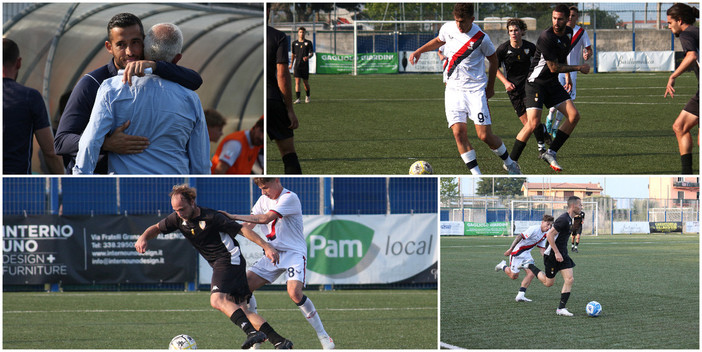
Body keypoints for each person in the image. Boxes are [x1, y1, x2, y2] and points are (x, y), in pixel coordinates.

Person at [134, 184, 293, 349]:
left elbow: (243, 231)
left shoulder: (212, 217)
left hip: (229, 259)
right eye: (175, 210)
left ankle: (252, 333)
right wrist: (144, 237)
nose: (179, 213)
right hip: (223, 263)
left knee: (217, 300)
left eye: (181, 209)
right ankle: (280, 341)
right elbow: (157, 228)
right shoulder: (178, 218)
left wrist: (267, 247)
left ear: (193, 202)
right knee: (242, 310)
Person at [55, 12, 202, 174]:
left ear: (145, 43)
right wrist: (105, 143)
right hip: (100, 182)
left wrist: (155, 66)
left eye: (135, 42)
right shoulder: (94, 84)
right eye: (121, 45)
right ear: (109, 47)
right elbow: (61, 141)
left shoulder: (161, 79)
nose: (130, 51)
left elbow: (195, 80)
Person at [220, 178, 335, 349]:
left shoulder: (289, 197)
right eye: (260, 188)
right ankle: (257, 338)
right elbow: (250, 223)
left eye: (265, 187)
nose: (263, 192)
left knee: (294, 293)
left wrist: (232, 216)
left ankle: (323, 335)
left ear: (276, 181)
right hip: (272, 253)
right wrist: (229, 230)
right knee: (241, 290)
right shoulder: (262, 200)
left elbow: (266, 218)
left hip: (293, 252)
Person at [409, 3, 521, 175]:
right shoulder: (448, 28)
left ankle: (510, 163)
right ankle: (477, 175)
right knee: (458, 133)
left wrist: (490, 86)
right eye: (456, 21)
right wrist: (419, 51)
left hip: (475, 90)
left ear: (472, 19)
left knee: (484, 136)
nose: (459, 25)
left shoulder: (481, 38)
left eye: (462, 22)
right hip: (453, 90)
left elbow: (493, 60)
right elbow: (439, 41)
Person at [508, 4, 590, 172]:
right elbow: (553, 67)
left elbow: (562, 58)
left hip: (552, 83)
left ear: (567, 19)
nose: (556, 22)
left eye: (559, 19)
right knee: (533, 124)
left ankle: (551, 152)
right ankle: (511, 162)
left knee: (574, 116)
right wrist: (578, 68)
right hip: (536, 83)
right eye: (554, 18)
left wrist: (568, 77)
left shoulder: (568, 33)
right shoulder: (546, 36)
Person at [3, 38, 64, 174]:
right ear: (18, 63)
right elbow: (50, 152)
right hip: (17, 186)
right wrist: (63, 182)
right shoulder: (30, 97)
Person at [495, 18, 552, 154]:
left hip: (529, 88)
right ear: (508, 33)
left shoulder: (530, 47)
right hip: (513, 91)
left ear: (522, 31)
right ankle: (543, 130)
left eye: (516, 30)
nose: (513, 33)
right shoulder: (503, 49)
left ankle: (541, 148)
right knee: (527, 124)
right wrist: (506, 82)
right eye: (511, 31)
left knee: (532, 122)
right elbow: (494, 69)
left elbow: (540, 63)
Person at [524, 196, 582, 316]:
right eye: (580, 205)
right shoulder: (563, 219)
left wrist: (561, 253)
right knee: (548, 283)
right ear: (573, 206)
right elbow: (549, 235)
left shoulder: (571, 219)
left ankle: (561, 308)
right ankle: (530, 266)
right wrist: (556, 252)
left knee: (569, 279)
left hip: (563, 254)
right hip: (552, 255)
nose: (582, 207)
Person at [545, 6, 592, 138]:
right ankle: (550, 118)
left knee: (567, 99)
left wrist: (587, 55)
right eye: (569, 16)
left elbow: (589, 49)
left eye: (574, 16)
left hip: (572, 71)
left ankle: (555, 127)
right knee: (556, 99)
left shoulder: (581, 32)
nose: (571, 18)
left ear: (577, 17)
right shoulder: (559, 31)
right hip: (557, 69)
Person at [665, 3, 699, 174]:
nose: (669, 26)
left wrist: (673, 76)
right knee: (680, 126)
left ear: (679, 20)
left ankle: (688, 174)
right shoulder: (696, 32)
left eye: (670, 23)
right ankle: (687, 173)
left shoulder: (686, 34)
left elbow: (691, 55)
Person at [267, 5, 302, 174]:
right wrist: (289, 109)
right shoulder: (277, 36)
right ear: (267, 12)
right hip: (271, 99)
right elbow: (282, 75)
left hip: (246, 103)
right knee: (288, 153)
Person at [495, 214, 553, 302]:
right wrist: (510, 249)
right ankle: (502, 265)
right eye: (547, 224)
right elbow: (519, 236)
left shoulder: (545, 234)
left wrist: (547, 260)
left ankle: (520, 295)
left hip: (526, 254)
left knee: (531, 273)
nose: (548, 227)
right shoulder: (534, 229)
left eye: (550, 225)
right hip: (517, 253)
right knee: (513, 276)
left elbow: (541, 248)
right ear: (542, 222)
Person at [290, 27, 314, 104]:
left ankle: (308, 96)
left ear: (305, 33)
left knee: (305, 83)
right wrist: (291, 64)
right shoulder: (294, 43)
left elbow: (311, 53)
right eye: (300, 32)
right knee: (297, 82)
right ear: (298, 33)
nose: (302, 34)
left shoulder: (308, 43)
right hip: (297, 65)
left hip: (305, 66)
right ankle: (298, 99)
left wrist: (308, 57)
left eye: (303, 32)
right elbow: (293, 54)